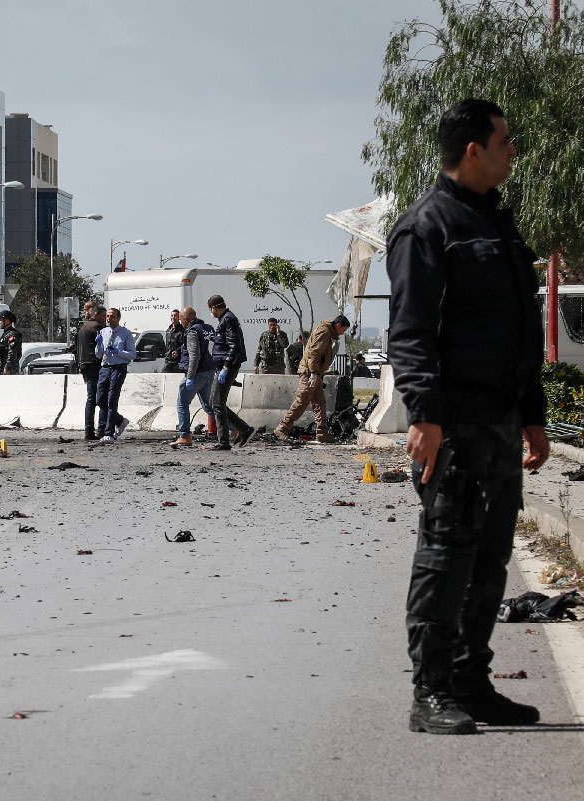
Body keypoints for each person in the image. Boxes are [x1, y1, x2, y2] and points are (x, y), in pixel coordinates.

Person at [388, 99, 548, 735]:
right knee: (446, 554)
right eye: (504, 140)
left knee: (490, 560)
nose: (513, 151)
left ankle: (469, 681)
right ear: (474, 150)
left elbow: (519, 330)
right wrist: (425, 414)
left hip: (502, 421)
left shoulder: (498, 225)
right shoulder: (426, 227)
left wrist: (532, 414)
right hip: (454, 423)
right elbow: (411, 331)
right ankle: (429, 692)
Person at [273, 315, 351, 443]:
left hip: (315, 372)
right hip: (310, 372)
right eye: (343, 330)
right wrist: (314, 373)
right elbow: (313, 353)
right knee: (302, 400)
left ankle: (322, 433)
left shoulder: (327, 332)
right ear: (338, 325)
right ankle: (283, 427)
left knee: (320, 403)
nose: (343, 333)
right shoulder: (324, 332)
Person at [207, 295, 254, 450]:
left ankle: (224, 441)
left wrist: (226, 368)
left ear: (214, 307)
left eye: (211, 309)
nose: (211, 313)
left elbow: (234, 346)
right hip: (222, 366)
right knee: (215, 403)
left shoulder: (228, 320)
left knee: (217, 404)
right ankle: (244, 429)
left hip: (227, 367)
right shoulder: (225, 319)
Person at [170, 307, 217, 446]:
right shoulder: (207, 328)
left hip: (196, 373)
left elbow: (194, 355)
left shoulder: (192, 331)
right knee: (209, 406)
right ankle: (234, 428)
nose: (180, 323)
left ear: (185, 319)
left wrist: (190, 377)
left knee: (182, 404)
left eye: (181, 319)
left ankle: (185, 436)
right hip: (209, 371)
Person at [94, 307, 135, 444]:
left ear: (118, 318)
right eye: (107, 316)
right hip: (105, 368)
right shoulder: (103, 332)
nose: (108, 319)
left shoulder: (125, 333)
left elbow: (132, 354)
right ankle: (119, 420)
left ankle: (109, 433)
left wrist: (118, 352)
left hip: (118, 367)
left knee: (112, 399)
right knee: (100, 399)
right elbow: (99, 355)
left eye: (112, 316)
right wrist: (98, 345)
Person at [76, 304, 104, 440]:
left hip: (85, 365)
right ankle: (100, 430)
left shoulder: (83, 327)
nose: (106, 319)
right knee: (98, 398)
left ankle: (89, 431)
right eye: (104, 316)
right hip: (95, 365)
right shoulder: (97, 327)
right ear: (97, 315)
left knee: (91, 399)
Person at [0, 310, 22, 375]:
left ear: (7, 321)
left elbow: (12, 352)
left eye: (0, 320)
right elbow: (1, 350)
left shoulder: (12, 334)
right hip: (3, 367)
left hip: (10, 370)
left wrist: (7, 367)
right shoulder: (6, 334)